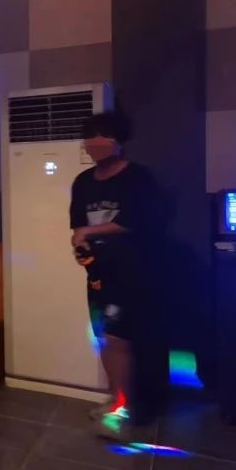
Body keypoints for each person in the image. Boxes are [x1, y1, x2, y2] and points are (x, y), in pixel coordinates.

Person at [70, 112, 161, 438]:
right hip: (98, 274)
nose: (94, 143)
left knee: (120, 339)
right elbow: (78, 226)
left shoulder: (138, 178)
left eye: (102, 136)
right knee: (103, 338)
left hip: (130, 273)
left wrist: (88, 232)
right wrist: (80, 244)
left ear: (118, 140)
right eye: (90, 137)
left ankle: (123, 412)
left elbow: (134, 222)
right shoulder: (83, 182)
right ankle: (114, 400)